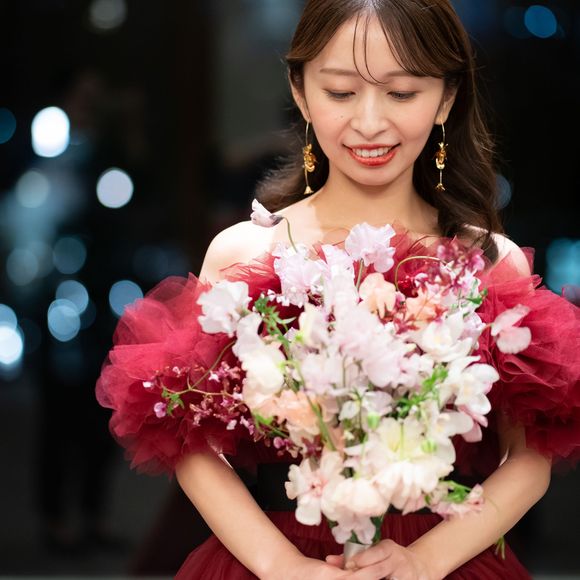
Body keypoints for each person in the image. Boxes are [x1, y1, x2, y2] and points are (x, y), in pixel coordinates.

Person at [96, 1, 580, 578]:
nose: (370, 123)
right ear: (301, 93)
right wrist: (282, 565)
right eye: (341, 92)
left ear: (446, 98)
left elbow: (529, 458)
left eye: (401, 93)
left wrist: (425, 561)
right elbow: (190, 440)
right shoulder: (245, 253)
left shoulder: (487, 263)